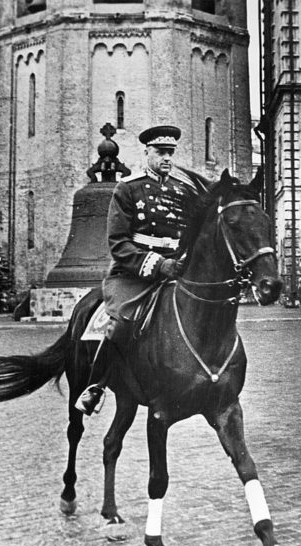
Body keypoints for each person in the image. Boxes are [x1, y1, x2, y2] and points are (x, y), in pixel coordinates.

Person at [75, 125, 201, 415]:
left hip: (177, 270)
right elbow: (118, 243)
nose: (166, 158)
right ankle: (97, 384)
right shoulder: (128, 189)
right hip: (135, 274)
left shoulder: (182, 191)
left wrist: (186, 261)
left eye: (170, 153)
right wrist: (159, 264)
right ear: (147, 153)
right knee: (118, 322)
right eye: (160, 152)